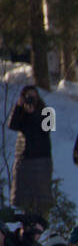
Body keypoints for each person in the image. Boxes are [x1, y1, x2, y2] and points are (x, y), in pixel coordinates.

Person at [7, 85, 53, 217]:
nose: (31, 99)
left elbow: (48, 129)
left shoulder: (47, 111)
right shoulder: (21, 113)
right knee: (23, 200)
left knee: (42, 200)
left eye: (33, 96)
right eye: (28, 96)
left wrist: (34, 113)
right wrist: (19, 106)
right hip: (24, 158)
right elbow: (12, 125)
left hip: (42, 159)